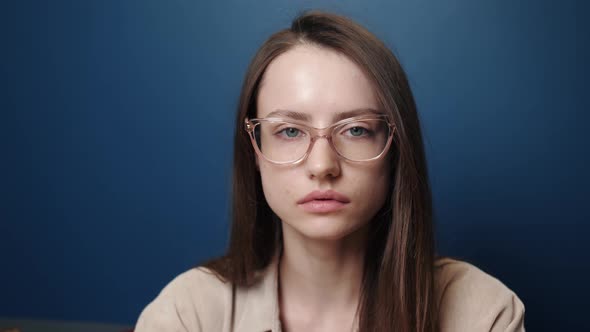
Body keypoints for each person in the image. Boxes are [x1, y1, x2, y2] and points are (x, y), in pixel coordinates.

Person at [135, 11, 525, 332]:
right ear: (254, 150)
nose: (322, 166)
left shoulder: (482, 314)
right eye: (289, 131)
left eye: (356, 130)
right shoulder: (187, 314)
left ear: (394, 147)